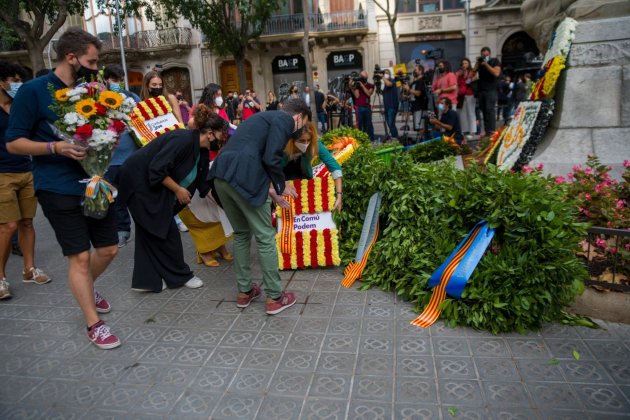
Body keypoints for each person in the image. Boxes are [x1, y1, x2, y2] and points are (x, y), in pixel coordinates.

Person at [6, 28, 120, 349]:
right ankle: (93, 324)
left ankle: (86, 287)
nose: (96, 68)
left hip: (95, 182)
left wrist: (111, 139)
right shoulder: (33, 91)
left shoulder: (92, 90)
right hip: (56, 186)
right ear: (71, 58)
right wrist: (56, 148)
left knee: (109, 249)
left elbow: (104, 129)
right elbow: (14, 142)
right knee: (79, 258)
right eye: (91, 61)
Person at [208, 98, 311, 315]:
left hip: (221, 176)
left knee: (242, 234)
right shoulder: (285, 120)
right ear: (298, 116)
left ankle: (244, 291)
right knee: (265, 236)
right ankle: (275, 297)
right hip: (246, 177)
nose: (302, 129)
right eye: (304, 123)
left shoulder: (262, 117)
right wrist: (280, 185)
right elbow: (270, 156)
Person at [117, 105, 226, 292]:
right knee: (165, 232)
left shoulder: (202, 151)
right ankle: (181, 276)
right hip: (139, 184)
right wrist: (178, 190)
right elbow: (156, 170)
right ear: (209, 134)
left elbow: (203, 185)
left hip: (154, 188)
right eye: (221, 135)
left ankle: (149, 281)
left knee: (150, 232)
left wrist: (224, 206)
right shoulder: (182, 139)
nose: (222, 140)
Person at [1, 60, 51, 300]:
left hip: (25, 169)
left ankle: (29, 269)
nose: (17, 84)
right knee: (7, 226)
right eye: (13, 80)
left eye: (19, 80)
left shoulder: (19, 105)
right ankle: (0, 278)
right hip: (1, 174)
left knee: (27, 223)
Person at [102, 64, 141, 248]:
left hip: (133, 156)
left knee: (138, 194)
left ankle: (144, 227)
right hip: (112, 159)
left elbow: (143, 120)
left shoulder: (132, 98)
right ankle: (123, 231)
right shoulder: (99, 100)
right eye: (113, 79)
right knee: (116, 197)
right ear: (106, 80)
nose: (116, 83)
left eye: (119, 79)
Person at [281, 121, 343, 211]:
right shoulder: (282, 145)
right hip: (282, 176)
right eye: (302, 140)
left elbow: (334, 167)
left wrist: (339, 196)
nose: (306, 143)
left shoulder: (315, 143)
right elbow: (272, 169)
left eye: (308, 140)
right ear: (292, 139)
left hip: (304, 176)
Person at [473, 46, 501, 136]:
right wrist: (478, 63)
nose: (484, 55)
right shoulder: (480, 63)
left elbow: (496, 73)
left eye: (486, 53)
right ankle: (487, 132)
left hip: (491, 90)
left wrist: (486, 64)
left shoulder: (494, 61)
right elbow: (472, 73)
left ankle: (492, 132)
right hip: (482, 91)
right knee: (484, 111)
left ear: (489, 53)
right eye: (483, 54)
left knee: (490, 110)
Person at [403, 65, 429, 138]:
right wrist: (407, 95)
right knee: (417, 127)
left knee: (421, 127)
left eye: (416, 70)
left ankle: (421, 142)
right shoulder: (414, 82)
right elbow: (413, 95)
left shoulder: (421, 81)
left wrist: (408, 89)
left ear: (420, 71)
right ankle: (420, 140)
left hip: (420, 107)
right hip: (415, 108)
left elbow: (418, 93)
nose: (414, 71)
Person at [456, 58, 477, 138]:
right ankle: (465, 130)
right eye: (463, 63)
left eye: (466, 63)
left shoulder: (471, 72)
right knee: (463, 113)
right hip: (461, 95)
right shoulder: (460, 74)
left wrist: (470, 77)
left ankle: (472, 131)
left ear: (468, 64)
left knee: (471, 112)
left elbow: (473, 80)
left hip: (469, 94)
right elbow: (458, 85)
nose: (464, 65)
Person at [352, 70, 374, 142]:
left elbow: (368, 94)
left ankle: (371, 140)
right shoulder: (357, 86)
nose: (362, 77)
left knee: (368, 125)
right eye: (361, 76)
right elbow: (357, 96)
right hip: (359, 108)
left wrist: (362, 86)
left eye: (363, 76)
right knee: (359, 125)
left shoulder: (371, 85)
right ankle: (361, 140)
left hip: (367, 107)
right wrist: (352, 86)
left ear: (367, 76)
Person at [381, 68, 399, 140]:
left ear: (389, 74)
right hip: (387, 107)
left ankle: (395, 137)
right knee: (389, 123)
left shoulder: (392, 80)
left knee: (391, 123)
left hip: (392, 106)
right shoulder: (385, 85)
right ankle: (394, 136)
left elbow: (389, 84)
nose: (385, 74)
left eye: (386, 73)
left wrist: (382, 76)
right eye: (384, 73)